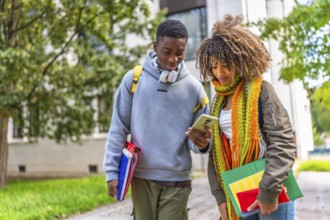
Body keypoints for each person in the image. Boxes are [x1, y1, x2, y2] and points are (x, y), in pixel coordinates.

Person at [103, 19, 211, 220]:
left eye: (179, 53)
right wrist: (112, 172)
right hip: (141, 177)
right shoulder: (134, 79)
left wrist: (203, 144)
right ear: (155, 47)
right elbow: (118, 127)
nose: (173, 59)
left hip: (177, 178)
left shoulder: (194, 88)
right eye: (167, 52)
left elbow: (197, 142)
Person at [195, 15, 297, 220]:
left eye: (225, 65)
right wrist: (220, 197)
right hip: (239, 187)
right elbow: (216, 155)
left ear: (240, 60)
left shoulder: (262, 91)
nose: (219, 72)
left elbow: (283, 143)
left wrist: (269, 190)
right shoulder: (218, 101)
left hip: (272, 187)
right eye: (214, 66)